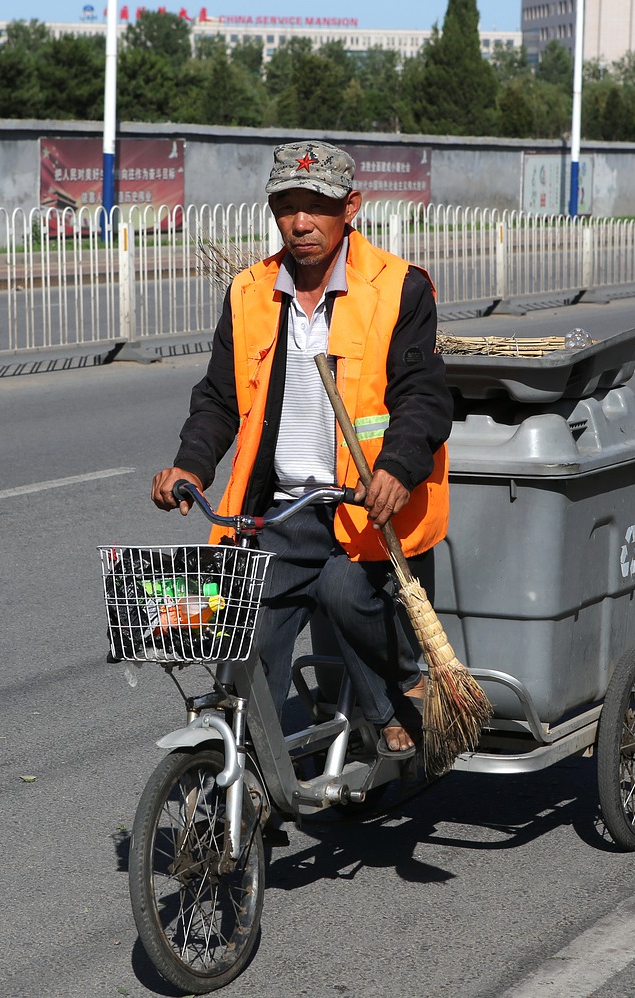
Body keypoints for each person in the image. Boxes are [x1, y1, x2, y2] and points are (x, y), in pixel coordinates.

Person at [151, 139, 451, 758]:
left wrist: (396, 468)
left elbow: (424, 398)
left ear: (352, 209)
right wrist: (191, 463)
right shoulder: (249, 292)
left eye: (317, 206)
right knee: (243, 650)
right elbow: (219, 398)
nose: (301, 222)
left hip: (366, 511)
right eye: (287, 206)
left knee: (344, 592)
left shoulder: (399, 287)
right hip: (281, 510)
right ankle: (249, 793)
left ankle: (399, 691)